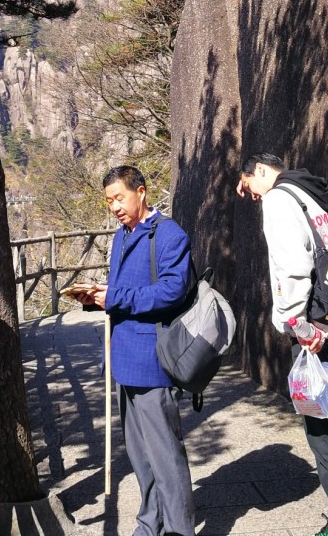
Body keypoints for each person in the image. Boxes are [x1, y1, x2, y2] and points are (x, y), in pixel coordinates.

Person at [237, 151, 328, 536]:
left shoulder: (279, 198)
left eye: (251, 185)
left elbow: (292, 266)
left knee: (325, 436)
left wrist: (297, 324)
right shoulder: (308, 196)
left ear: (261, 170)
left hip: (316, 335)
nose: (254, 196)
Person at [85, 165, 195, 536]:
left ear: (142, 192)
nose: (114, 206)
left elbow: (171, 292)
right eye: (109, 201)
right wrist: (97, 296)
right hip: (122, 359)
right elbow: (124, 290)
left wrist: (114, 296)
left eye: (119, 198)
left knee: (165, 455)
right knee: (140, 456)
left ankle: (179, 529)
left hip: (152, 361)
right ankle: (150, 524)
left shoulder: (168, 235)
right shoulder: (121, 236)